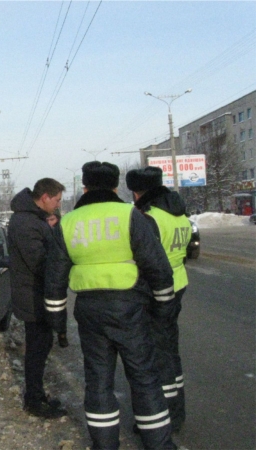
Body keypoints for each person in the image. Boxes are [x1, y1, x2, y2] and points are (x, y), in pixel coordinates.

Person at [44, 161, 176, 450]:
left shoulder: (69, 222)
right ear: (116, 187)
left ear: (86, 187)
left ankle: (105, 445)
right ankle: (159, 445)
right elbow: (158, 267)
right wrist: (164, 307)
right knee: (144, 379)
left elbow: (54, 280)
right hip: (131, 307)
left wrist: (58, 324)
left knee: (98, 382)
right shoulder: (130, 215)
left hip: (90, 311)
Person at [126, 166, 191, 432]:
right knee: (170, 353)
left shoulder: (151, 218)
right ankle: (176, 411)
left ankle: (162, 418)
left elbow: (147, 260)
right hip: (178, 285)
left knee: (156, 357)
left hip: (157, 292)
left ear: (137, 191)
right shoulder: (178, 213)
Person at [7, 178, 67, 419]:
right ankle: (33, 400)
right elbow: (40, 262)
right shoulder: (26, 222)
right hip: (33, 295)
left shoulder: (33, 219)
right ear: (44, 197)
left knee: (41, 347)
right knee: (37, 349)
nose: (58, 205)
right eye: (57, 200)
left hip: (36, 293)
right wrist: (63, 265)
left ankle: (37, 395)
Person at [45, 212, 68, 348]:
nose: (50, 222)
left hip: (60, 274)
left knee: (60, 305)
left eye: (52, 219)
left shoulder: (62, 230)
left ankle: (62, 333)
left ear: (57, 219)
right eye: (47, 219)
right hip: (51, 272)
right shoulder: (45, 230)